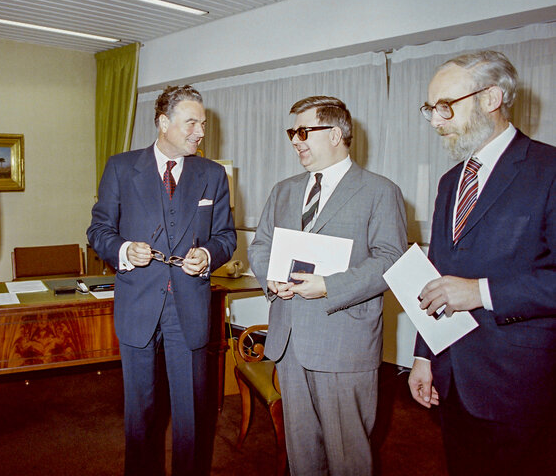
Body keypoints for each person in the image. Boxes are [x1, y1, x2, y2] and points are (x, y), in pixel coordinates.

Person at [408, 50, 556, 475]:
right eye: (430, 109)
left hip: (522, 387)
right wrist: (423, 356)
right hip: (453, 378)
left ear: (491, 98)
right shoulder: (450, 181)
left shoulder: (548, 170)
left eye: (445, 107)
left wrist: (480, 292)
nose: (435, 121)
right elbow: (436, 274)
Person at [249, 96, 407, 475]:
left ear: (336, 134)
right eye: (292, 132)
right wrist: (269, 276)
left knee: (348, 455)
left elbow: (391, 260)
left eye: (304, 131)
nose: (295, 141)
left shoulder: (379, 191)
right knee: (301, 454)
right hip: (289, 342)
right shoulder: (283, 189)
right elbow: (262, 245)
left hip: (343, 343)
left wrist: (329, 286)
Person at [87, 85, 236, 476]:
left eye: (202, 124)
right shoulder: (121, 168)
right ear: (164, 123)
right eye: (192, 123)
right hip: (137, 305)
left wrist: (207, 255)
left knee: (191, 417)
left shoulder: (212, 174)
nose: (200, 132)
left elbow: (226, 237)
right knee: (140, 416)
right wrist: (121, 250)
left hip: (187, 308)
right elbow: (99, 229)